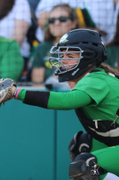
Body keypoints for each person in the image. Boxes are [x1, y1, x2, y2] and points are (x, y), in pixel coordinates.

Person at [7, 29, 119, 180]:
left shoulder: (96, 79)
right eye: (63, 55)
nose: (63, 60)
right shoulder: (96, 76)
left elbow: (67, 101)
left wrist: (16, 92)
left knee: (85, 165)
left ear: (89, 58)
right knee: (82, 144)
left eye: (70, 56)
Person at [30, 4, 78, 84]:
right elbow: (37, 85)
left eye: (62, 19)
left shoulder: (85, 47)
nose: (56, 23)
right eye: (52, 20)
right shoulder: (41, 48)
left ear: (73, 23)